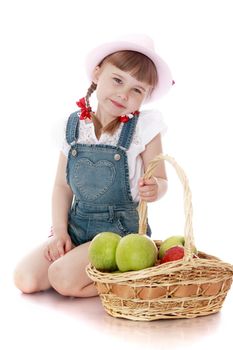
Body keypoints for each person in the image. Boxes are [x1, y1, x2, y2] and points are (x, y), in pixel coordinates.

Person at [14, 34, 174, 297]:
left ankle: (131, 275)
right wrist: (61, 233)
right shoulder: (74, 127)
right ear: (98, 73)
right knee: (25, 278)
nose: (124, 94)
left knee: (62, 279)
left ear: (146, 97)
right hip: (77, 227)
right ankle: (81, 262)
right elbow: (61, 186)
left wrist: (156, 188)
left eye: (137, 90)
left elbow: (162, 179)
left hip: (120, 234)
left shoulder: (144, 128)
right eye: (118, 80)